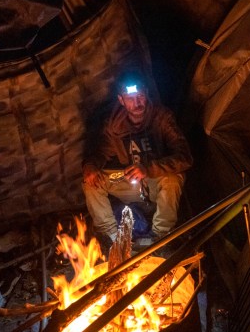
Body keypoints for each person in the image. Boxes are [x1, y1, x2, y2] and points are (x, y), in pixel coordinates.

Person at [82, 75, 192, 247]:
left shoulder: (161, 117)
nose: (137, 103)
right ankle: (113, 238)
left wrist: (148, 169)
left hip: (156, 181)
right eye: (130, 99)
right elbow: (102, 152)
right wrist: (91, 166)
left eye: (140, 96)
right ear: (121, 100)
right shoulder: (114, 125)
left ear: (146, 94)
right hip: (129, 181)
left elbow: (185, 157)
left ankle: (159, 237)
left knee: (174, 177)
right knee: (92, 183)